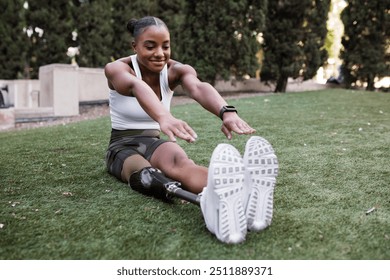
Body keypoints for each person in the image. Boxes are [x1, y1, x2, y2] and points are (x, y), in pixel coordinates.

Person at [104, 16, 278, 244]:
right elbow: (137, 86)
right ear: (134, 46)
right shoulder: (117, 68)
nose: (159, 53)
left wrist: (226, 112)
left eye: (165, 46)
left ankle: (243, 194)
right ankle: (208, 203)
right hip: (121, 146)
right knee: (147, 175)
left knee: (181, 164)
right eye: (150, 46)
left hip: (154, 142)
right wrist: (164, 116)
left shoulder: (175, 70)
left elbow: (198, 87)